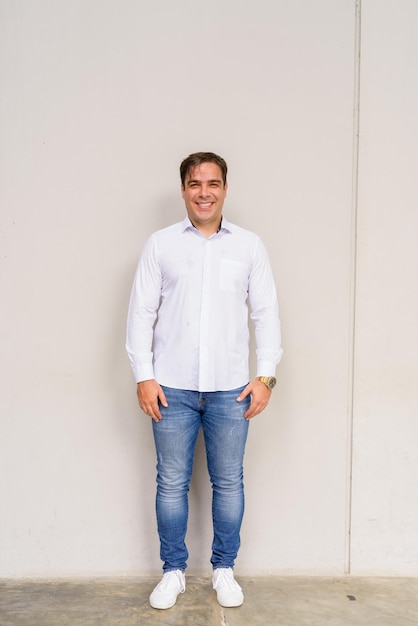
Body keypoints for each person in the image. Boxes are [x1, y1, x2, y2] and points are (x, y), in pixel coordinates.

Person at [126, 151, 283, 610]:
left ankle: (223, 570)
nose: (204, 193)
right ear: (183, 190)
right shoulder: (160, 245)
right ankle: (173, 571)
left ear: (225, 189)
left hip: (231, 388)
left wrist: (266, 377)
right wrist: (144, 376)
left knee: (228, 481)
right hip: (170, 386)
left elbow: (266, 313)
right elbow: (141, 314)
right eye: (195, 184)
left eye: (212, 184)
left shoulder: (249, 246)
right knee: (171, 482)